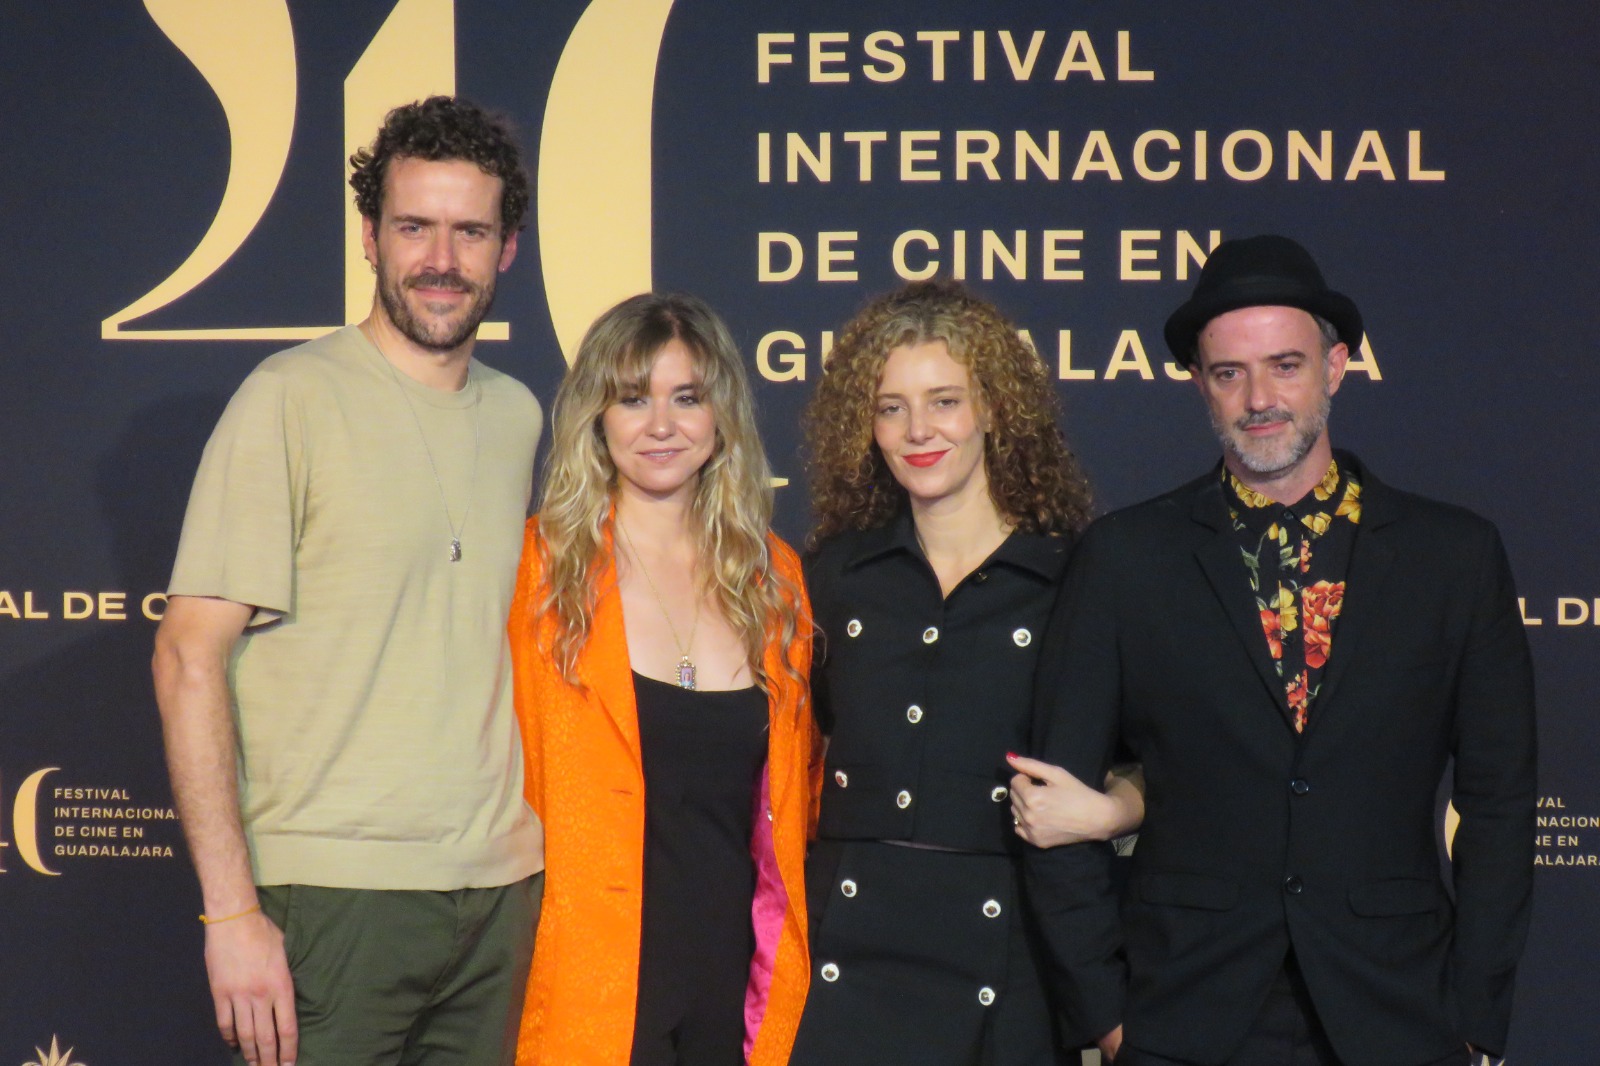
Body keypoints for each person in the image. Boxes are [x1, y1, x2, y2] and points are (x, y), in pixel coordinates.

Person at [1027, 235, 1537, 1066]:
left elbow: (1501, 805)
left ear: (1336, 367)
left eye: (1286, 365)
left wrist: (1477, 1013)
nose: (1259, 397)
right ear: (1200, 385)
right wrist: (1105, 1016)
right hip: (1182, 1011)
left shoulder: (1455, 556)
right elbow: (1057, 797)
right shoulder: (1126, 558)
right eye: (1230, 373)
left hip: (1399, 1010)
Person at [152, 96, 543, 1066]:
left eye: (470, 230)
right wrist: (231, 909)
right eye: (414, 226)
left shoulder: (521, 415)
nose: (440, 259)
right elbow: (184, 657)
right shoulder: (288, 399)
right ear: (370, 238)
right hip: (330, 899)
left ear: (509, 250)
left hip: (499, 893)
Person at [790, 280, 1144, 1066]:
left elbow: (1176, 760)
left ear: (993, 407)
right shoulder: (833, 577)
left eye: (945, 400)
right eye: (891, 407)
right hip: (842, 964)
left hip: (1010, 962)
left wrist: (1115, 812)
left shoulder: (1075, 581)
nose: (919, 430)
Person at [507, 293, 816, 1066]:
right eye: (633, 399)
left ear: (721, 419)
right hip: (582, 971)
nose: (661, 426)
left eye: (687, 398)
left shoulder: (774, 579)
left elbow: (794, 798)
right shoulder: (537, 571)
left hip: (733, 975)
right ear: (596, 417)